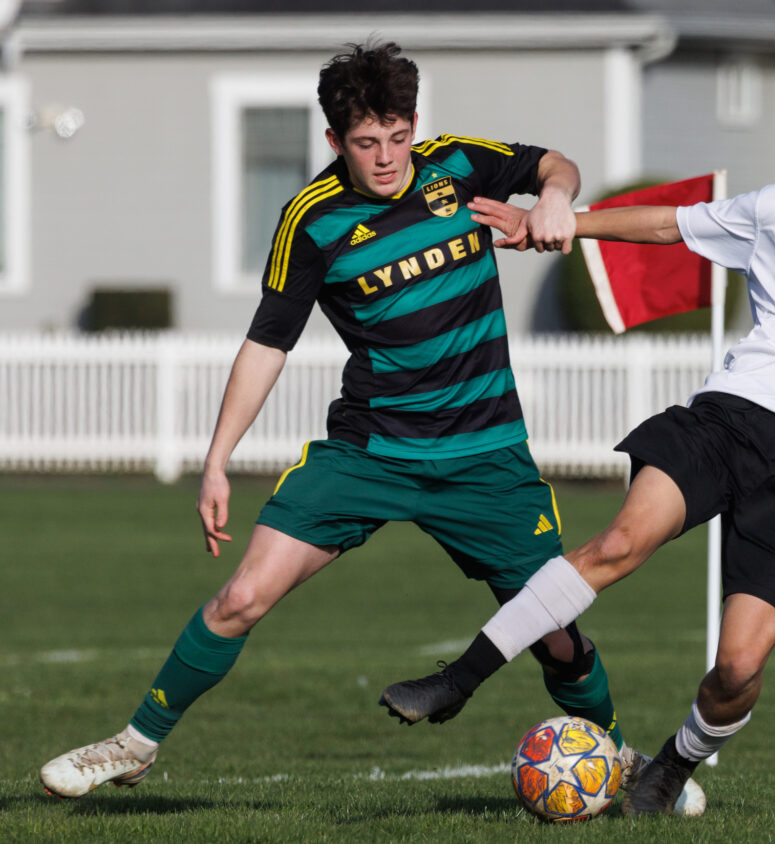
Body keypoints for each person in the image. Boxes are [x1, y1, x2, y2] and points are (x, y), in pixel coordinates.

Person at [39, 40, 647, 799]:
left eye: (399, 136)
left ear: (414, 125)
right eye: (367, 143)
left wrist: (556, 198)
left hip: (487, 459)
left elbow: (556, 165)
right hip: (370, 454)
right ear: (335, 141)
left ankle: (621, 763)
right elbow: (267, 345)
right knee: (240, 596)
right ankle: (133, 743)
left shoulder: (456, 164)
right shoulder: (312, 221)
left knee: (556, 637)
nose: (388, 157)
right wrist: (217, 461)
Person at [379, 78, 775, 816]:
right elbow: (666, 226)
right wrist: (550, 225)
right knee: (620, 542)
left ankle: (671, 768)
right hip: (729, 417)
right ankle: (455, 681)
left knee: (738, 668)